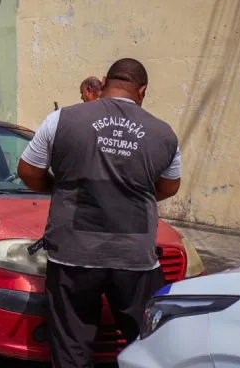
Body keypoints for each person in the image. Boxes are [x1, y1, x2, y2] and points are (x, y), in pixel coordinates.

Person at [17, 58, 182, 368]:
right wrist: (134, 193)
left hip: (72, 255)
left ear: (104, 82)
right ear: (142, 91)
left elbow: (27, 170)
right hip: (134, 258)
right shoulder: (164, 134)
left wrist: (58, 186)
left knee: (71, 348)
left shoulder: (61, 120)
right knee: (147, 341)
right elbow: (170, 187)